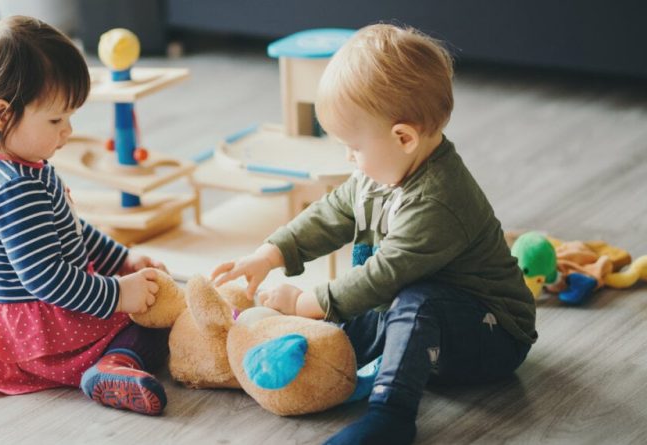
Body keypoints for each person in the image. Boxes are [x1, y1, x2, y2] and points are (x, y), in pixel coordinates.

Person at [212, 24, 537, 444]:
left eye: (354, 146)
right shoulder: (380, 173)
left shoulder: (439, 202)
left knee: (409, 300)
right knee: (366, 294)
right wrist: (271, 253)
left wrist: (307, 301)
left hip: (491, 335)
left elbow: (382, 277)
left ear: (403, 137)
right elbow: (333, 211)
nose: (348, 157)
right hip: (418, 309)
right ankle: (311, 367)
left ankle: (391, 416)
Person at [0, 15, 170, 416]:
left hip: (8, 320)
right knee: (152, 323)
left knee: (143, 299)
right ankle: (112, 365)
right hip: (36, 329)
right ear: (1, 115)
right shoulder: (15, 187)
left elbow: (68, 228)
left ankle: (110, 356)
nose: (67, 131)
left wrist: (120, 259)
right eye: (55, 119)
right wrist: (119, 294)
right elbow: (48, 279)